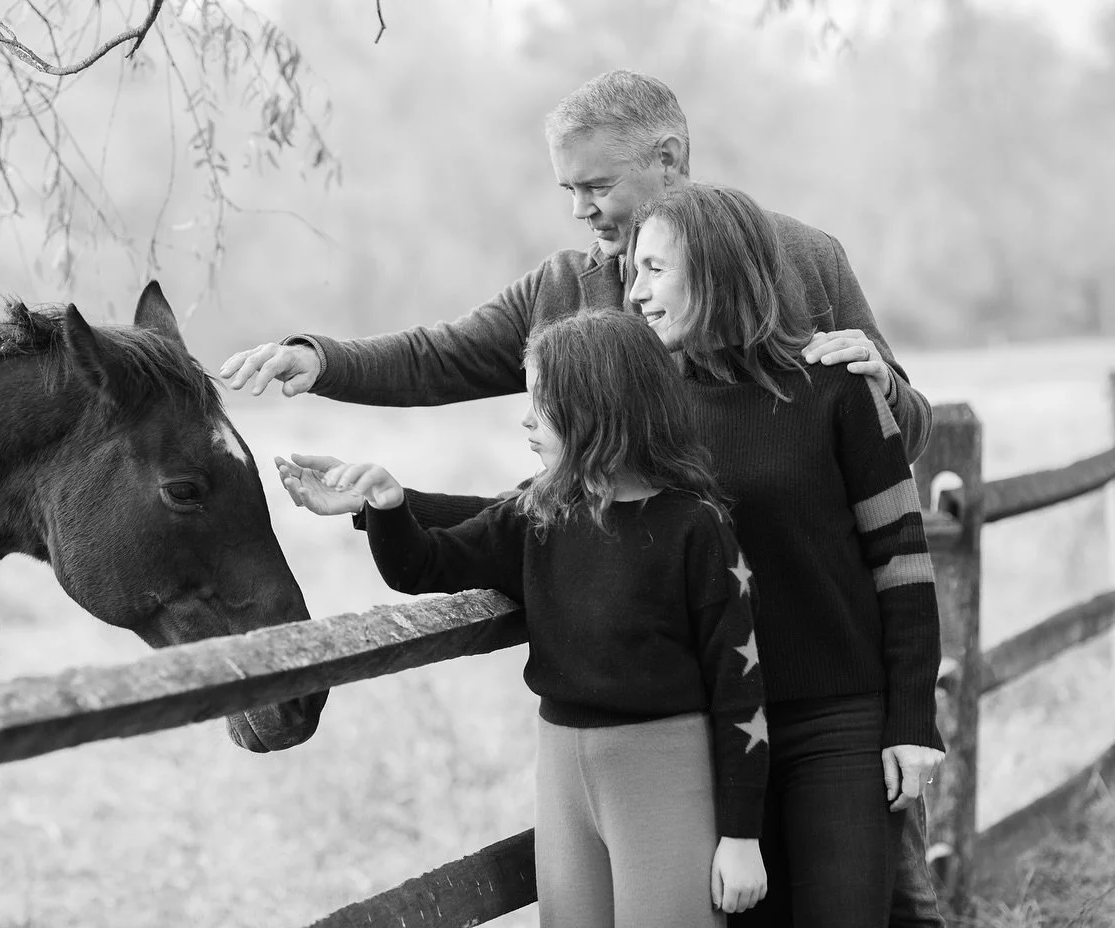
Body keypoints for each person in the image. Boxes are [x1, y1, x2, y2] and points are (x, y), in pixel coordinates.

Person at [223, 70, 946, 926]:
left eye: (596, 185)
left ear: (669, 161)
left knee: (886, 903)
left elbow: (901, 458)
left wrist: (875, 384)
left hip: (831, 689)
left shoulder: (803, 263)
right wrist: (330, 371)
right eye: (567, 189)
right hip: (701, 714)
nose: (581, 210)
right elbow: (458, 380)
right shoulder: (572, 294)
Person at [284, 308, 770, 926]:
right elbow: (425, 567)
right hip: (563, 771)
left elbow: (741, 688)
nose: (526, 417)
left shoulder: (696, 528)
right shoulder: (538, 513)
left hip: (664, 772)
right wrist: (386, 505)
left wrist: (741, 838)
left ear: (599, 409)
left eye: (543, 401)